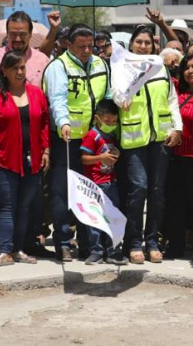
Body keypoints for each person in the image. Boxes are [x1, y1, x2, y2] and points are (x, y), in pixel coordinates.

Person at [112, 25, 182, 264]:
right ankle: (132, 242)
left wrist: (177, 128)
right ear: (131, 44)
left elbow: (172, 100)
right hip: (134, 140)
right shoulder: (121, 67)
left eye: (147, 43)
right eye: (139, 42)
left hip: (160, 138)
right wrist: (123, 98)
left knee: (157, 192)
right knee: (138, 188)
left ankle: (152, 241)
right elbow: (116, 93)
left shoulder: (159, 67)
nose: (143, 46)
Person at [43, 25, 111, 262]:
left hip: (94, 141)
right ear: (68, 45)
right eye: (80, 46)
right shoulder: (58, 67)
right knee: (63, 192)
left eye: (89, 46)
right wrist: (63, 123)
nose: (86, 50)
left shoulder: (100, 65)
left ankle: (87, 244)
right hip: (67, 140)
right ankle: (62, 242)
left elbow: (107, 97)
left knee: (89, 192)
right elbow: (58, 100)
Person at [0, 51, 50, 267]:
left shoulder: (36, 93)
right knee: (6, 207)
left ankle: (19, 249)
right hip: (4, 160)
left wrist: (46, 151)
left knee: (24, 207)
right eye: (15, 68)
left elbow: (45, 122)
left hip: (32, 161)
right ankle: (5, 251)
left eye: (22, 68)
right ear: (5, 71)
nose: (20, 72)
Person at [162, 53, 193, 259]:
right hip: (174, 156)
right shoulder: (175, 89)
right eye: (187, 67)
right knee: (175, 205)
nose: (191, 71)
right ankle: (175, 246)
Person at [80, 99, 125, 265]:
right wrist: (101, 158)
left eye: (114, 121)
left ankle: (113, 251)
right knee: (94, 219)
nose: (110, 124)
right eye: (107, 121)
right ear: (97, 118)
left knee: (112, 218)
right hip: (94, 185)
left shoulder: (112, 136)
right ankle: (96, 251)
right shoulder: (92, 136)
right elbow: (84, 159)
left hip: (110, 183)